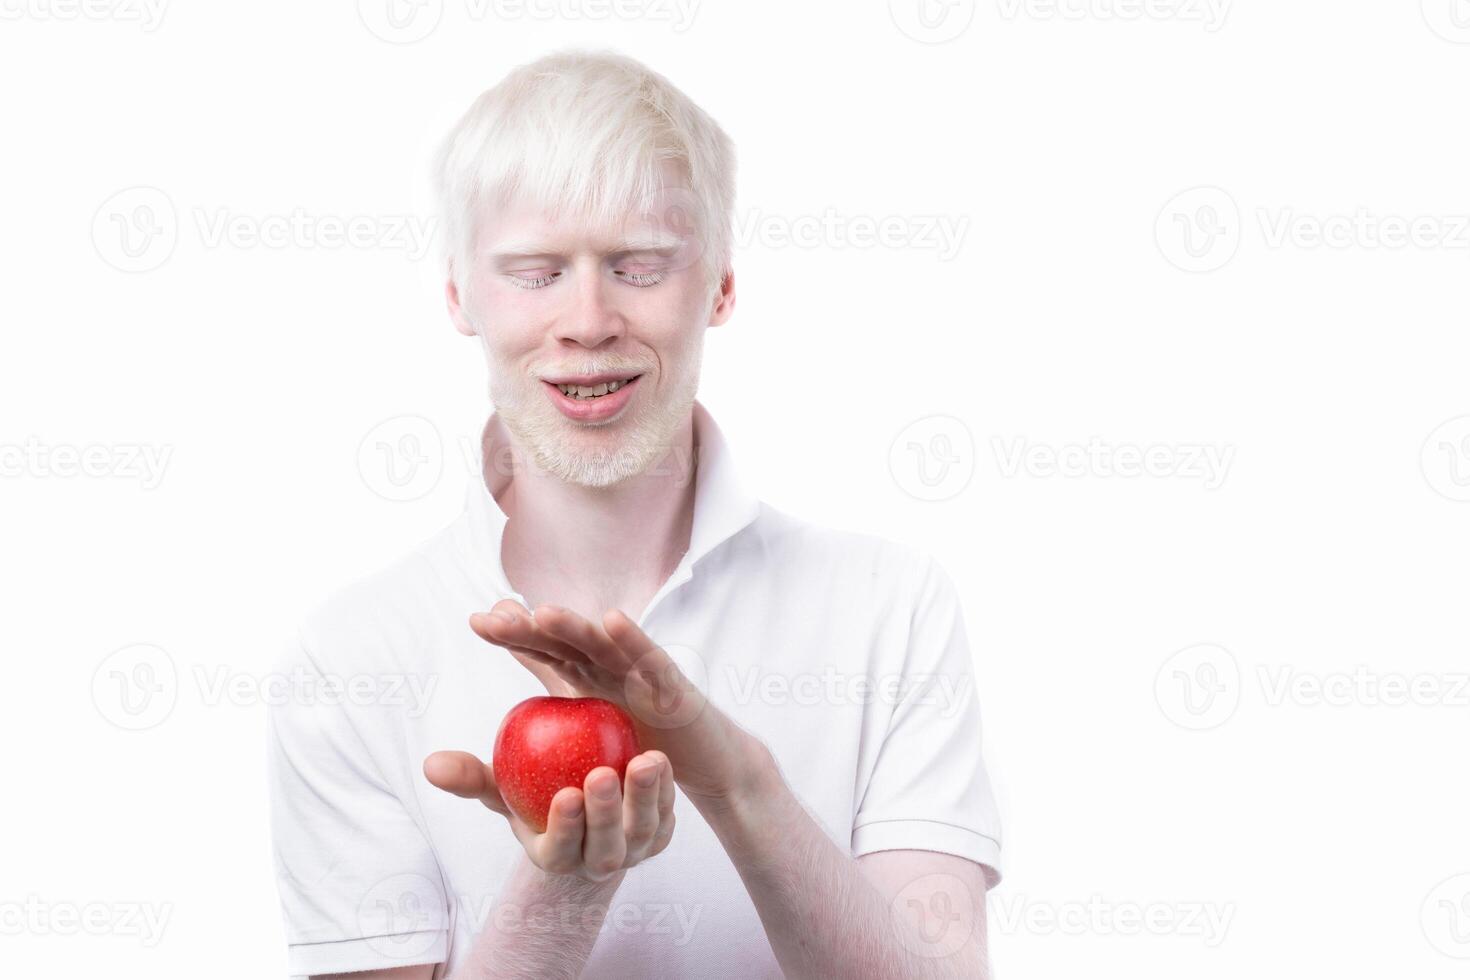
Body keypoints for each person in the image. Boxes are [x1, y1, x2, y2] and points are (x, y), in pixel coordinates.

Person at [266, 48, 1002, 980]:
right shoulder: (351, 658)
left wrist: (734, 782)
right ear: (459, 296)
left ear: (721, 286)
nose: (588, 319)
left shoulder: (892, 607)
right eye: (535, 272)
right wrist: (566, 886)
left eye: (640, 266)